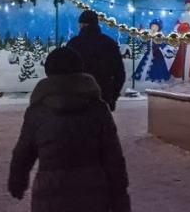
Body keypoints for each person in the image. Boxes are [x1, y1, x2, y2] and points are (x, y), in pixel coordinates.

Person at [8, 46, 131, 212]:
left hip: (49, 192)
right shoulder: (98, 109)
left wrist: (17, 181)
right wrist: (120, 196)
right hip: (93, 193)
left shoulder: (37, 111)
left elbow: (23, 151)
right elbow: (113, 156)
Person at [67, 10, 127, 111]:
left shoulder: (73, 44)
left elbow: (65, 73)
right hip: (103, 98)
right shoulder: (109, 43)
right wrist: (112, 97)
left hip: (78, 100)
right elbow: (120, 74)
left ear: (82, 25)